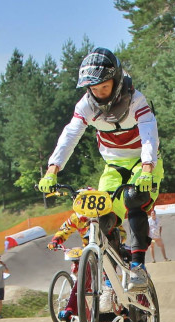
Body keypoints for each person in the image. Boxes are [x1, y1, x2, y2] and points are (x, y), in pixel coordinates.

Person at [38, 47, 163, 294]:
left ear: (116, 80)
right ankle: (111, 280)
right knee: (101, 214)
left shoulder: (136, 99)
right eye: (93, 89)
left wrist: (148, 167)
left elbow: (149, 133)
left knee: (133, 197)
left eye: (103, 87)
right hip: (114, 166)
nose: (99, 94)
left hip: (143, 163)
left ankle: (138, 268)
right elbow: (70, 135)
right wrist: (52, 170)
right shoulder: (85, 105)